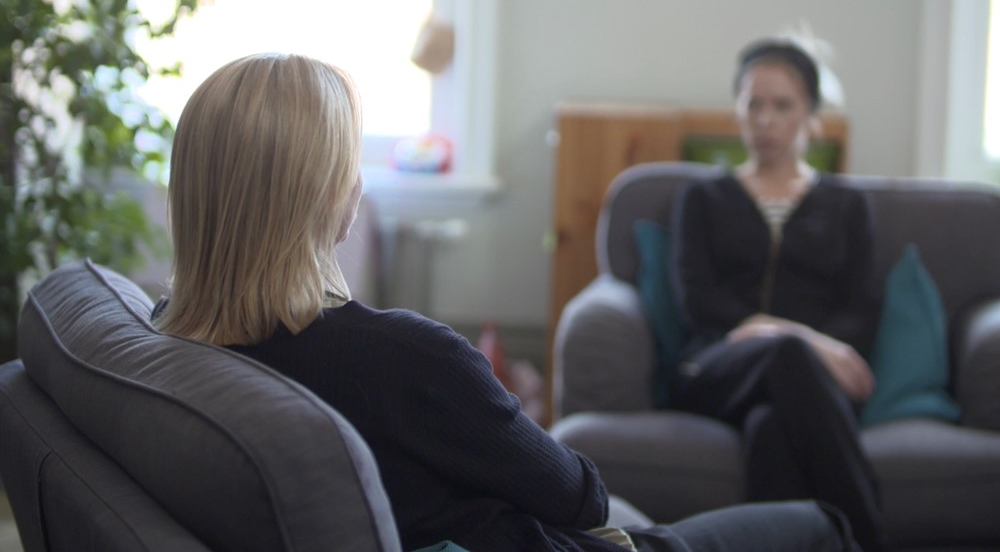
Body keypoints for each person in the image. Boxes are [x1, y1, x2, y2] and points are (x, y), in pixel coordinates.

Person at [153, 52, 861, 552]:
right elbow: (581, 497)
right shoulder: (408, 358)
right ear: (328, 197)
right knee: (820, 525)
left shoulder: (166, 343)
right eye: (349, 167)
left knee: (778, 433)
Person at [669, 39, 889, 552]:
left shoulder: (846, 205)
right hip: (713, 369)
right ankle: (871, 537)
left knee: (772, 427)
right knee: (787, 354)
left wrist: (805, 344)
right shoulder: (702, 198)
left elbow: (862, 310)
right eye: (753, 104)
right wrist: (789, 335)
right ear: (737, 112)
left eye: (782, 105)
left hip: (811, 385)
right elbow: (697, 301)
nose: (765, 120)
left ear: (811, 115)